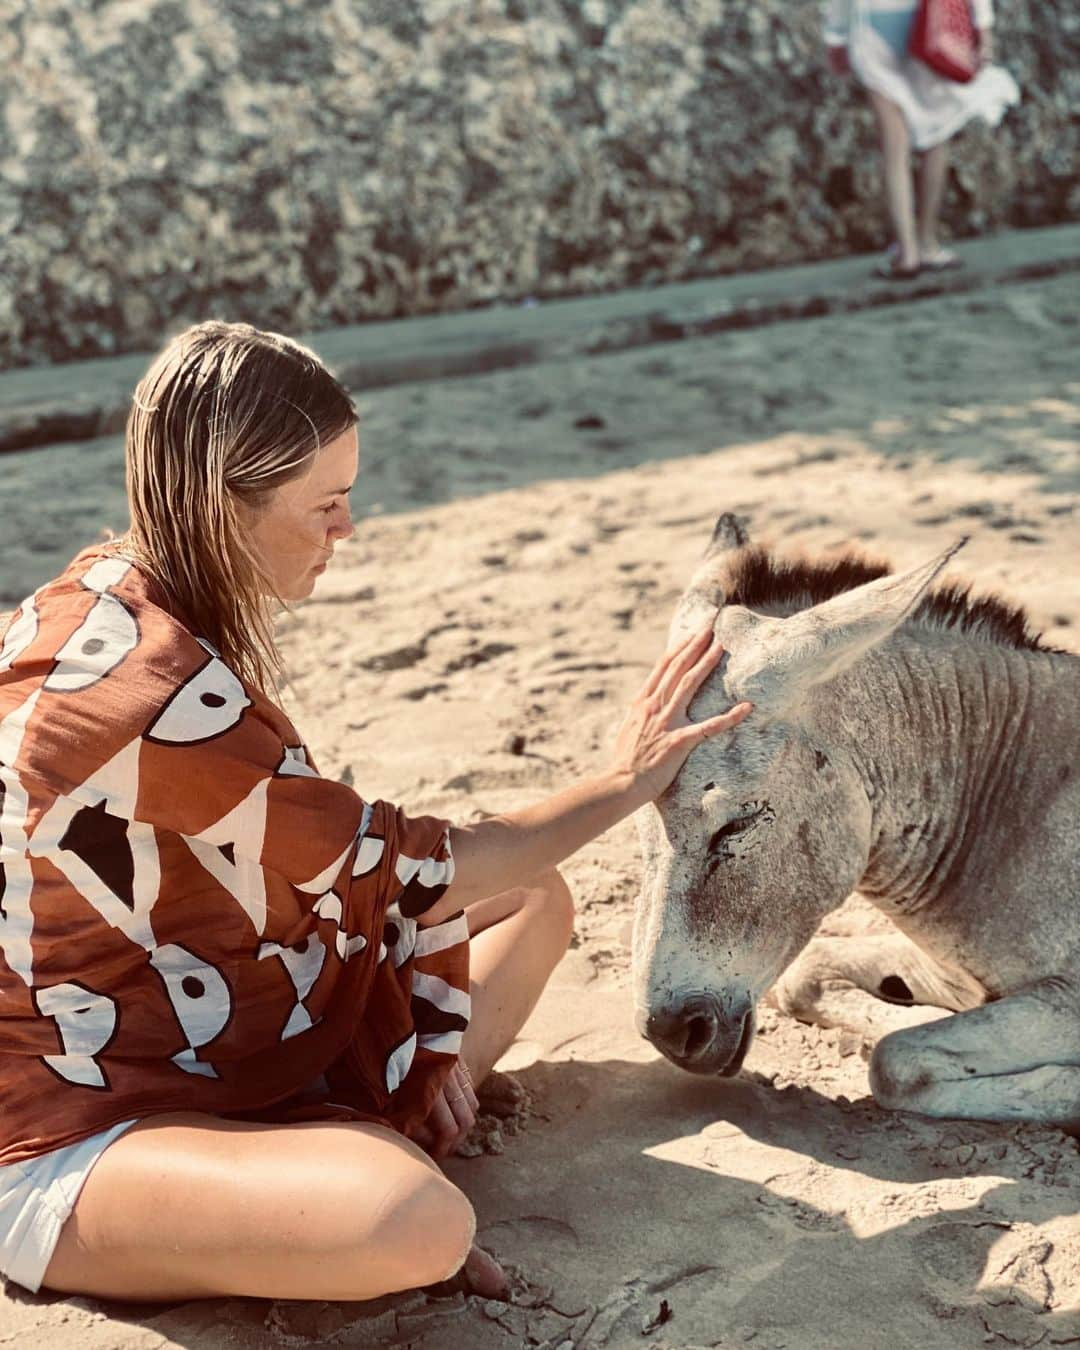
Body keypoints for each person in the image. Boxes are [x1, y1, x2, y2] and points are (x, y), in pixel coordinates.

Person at [0, 321, 751, 1304]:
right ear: (223, 503)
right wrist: (624, 780)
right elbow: (412, 867)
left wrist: (421, 1048)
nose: (347, 528)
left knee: (534, 899)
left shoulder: (111, 586)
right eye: (325, 502)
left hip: (185, 1008)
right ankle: (332, 1172)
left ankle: (327, 1156)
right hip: (65, 1121)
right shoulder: (150, 693)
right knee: (414, 1223)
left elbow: (345, 868)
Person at [824, 0, 1019, 279]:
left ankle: (907, 251)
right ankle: (927, 241)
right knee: (936, 137)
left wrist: (836, 36)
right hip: (928, 22)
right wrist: (984, 27)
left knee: (894, 149)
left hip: (873, 25)